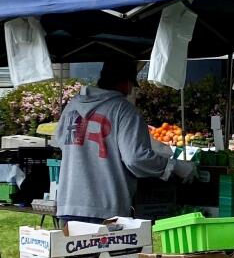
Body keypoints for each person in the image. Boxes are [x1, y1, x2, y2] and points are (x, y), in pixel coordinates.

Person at [53, 57, 193, 223]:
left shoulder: (72, 107)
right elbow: (136, 158)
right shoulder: (124, 110)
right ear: (126, 82)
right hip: (106, 208)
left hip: (68, 204)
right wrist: (173, 166)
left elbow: (60, 141)